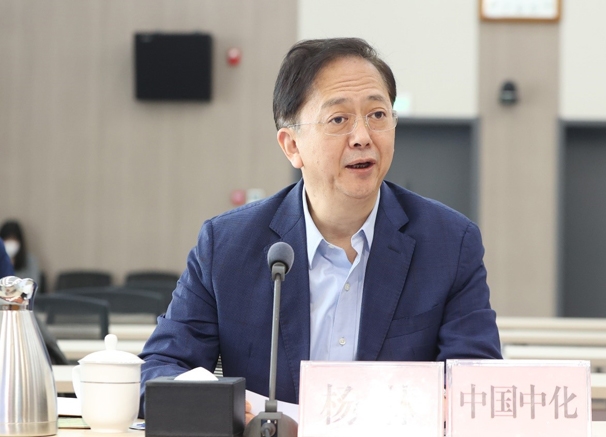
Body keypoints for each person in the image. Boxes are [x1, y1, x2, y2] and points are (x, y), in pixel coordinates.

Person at [139, 38, 502, 415]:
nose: (363, 137)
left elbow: (477, 383)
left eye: (378, 114)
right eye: (339, 119)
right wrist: (224, 410)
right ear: (292, 145)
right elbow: (160, 370)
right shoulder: (227, 246)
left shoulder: (449, 243)